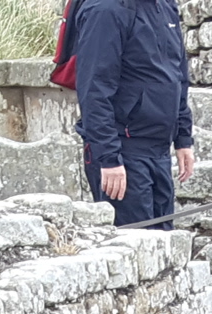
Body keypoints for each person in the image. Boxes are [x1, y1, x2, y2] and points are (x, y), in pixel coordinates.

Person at [70, 0, 196, 229]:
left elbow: (178, 76)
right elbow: (94, 90)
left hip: (159, 148)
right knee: (135, 240)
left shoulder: (165, 5)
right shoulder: (105, 10)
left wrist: (183, 138)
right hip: (123, 151)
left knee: (163, 240)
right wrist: (109, 158)